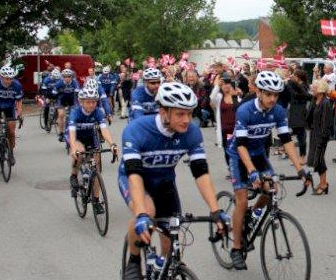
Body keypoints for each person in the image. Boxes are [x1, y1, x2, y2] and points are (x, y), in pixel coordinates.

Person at [119, 82, 228, 279]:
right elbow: (134, 176)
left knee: (173, 238)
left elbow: (201, 174)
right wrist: (142, 213)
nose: (187, 120)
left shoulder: (192, 133)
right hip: (135, 179)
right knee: (148, 212)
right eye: (180, 114)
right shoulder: (136, 130)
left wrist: (216, 210)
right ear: (163, 111)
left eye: (190, 113)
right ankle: (133, 261)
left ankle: (162, 268)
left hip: (164, 182)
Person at [227, 71, 311, 270]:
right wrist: (252, 171)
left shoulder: (279, 111)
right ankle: (237, 248)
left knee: (271, 186)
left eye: (276, 95)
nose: (273, 99)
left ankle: (254, 214)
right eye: (268, 94)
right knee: (241, 200)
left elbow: (287, 141)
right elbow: (240, 145)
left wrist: (300, 169)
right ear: (259, 92)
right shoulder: (245, 110)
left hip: (258, 153)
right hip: (239, 154)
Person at [66, 86, 118, 210]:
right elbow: (72, 132)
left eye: (94, 101)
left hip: (90, 137)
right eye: (88, 102)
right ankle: (73, 176)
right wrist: (73, 147)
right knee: (80, 152)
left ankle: (95, 200)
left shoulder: (98, 112)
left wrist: (112, 144)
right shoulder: (75, 112)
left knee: (96, 167)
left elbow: (104, 130)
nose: (91, 105)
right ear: (81, 102)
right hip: (75, 138)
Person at [209, 73, 241, 174]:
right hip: (224, 130)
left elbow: (240, 109)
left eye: (228, 83)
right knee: (227, 151)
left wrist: (236, 95)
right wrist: (217, 85)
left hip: (235, 129)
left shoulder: (236, 97)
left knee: (237, 150)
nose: (226, 86)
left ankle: (237, 168)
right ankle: (231, 168)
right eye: (224, 84)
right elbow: (212, 98)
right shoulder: (219, 97)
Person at [307, 79, 335, 195]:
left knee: (318, 160)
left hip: (321, 135)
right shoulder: (315, 100)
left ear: (320, 90)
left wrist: (323, 137)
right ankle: (323, 183)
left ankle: (324, 184)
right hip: (314, 133)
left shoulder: (325, 103)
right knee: (316, 159)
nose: (312, 89)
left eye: (314, 87)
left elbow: (326, 122)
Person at [286, 70, 312, 164]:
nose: (292, 76)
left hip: (300, 111)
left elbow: (299, 95)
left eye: (294, 75)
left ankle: (302, 157)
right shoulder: (296, 85)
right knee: (297, 134)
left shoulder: (302, 86)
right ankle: (298, 157)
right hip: (294, 110)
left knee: (301, 135)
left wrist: (289, 84)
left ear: (298, 77)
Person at [53, 69, 81, 142]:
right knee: (61, 114)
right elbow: (54, 92)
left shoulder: (75, 82)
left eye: (68, 76)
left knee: (75, 114)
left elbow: (78, 92)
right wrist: (54, 95)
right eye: (65, 76)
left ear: (71, 77)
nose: (67, 78)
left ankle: (76, 131)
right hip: (61, 100)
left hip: (72, 100)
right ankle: (61, 133)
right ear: (62, 77)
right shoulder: (59, 83)